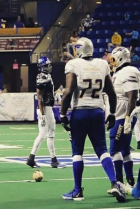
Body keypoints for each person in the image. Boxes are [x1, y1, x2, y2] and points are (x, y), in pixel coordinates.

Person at [60, 38, 125, 202]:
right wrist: (111, 114)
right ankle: (114, 182)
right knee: (102, 150)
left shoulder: (74, 64)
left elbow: (68, 92)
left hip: (80, 112)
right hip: (97, 111)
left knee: (77, 152)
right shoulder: (102, 64)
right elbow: (111, 93)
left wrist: (62, 115)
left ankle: (77, 190)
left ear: (79, 50)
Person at [108, 46, 139, 189]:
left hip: (123, 116)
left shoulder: (128, 71)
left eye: (114, 59)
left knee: (114, 149)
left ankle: (119, 182)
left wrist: (127, 119)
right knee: (125, 149)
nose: (113, 62)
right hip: (120, 115)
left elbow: (132, 97)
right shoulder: (120, 72)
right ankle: (130, 182)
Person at [26, 57, 66, 169]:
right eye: (46, 66)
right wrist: (43, 115)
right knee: (49, 133)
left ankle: (31, 158)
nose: (48, 67)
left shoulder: (46, 76)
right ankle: (53, 160)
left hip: (46, 108)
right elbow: (39, 97)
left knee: (43, 134)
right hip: (45, 108)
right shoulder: (42, 77)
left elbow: (46, 94)